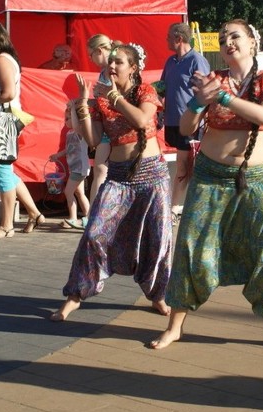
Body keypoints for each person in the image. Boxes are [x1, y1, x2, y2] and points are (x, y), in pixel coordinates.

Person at [149, 18, 263, 353]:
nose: (228, 42)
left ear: (253, 42)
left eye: (235, 36)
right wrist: (197, 102)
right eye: (222, 39)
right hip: (210, 178)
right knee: (191, 247)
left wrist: (219, 97)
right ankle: (175, 326)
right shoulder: (213, 80)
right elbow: (190, 125)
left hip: (256, 179)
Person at [51, 43, 171, 322]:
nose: (112, 66)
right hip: (118, 178)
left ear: (133, 67)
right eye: (110, 62)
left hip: (152, 176)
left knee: (159, 240)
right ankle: (75, 295)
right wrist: (83, 103)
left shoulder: (145, 91)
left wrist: (114, 97)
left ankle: (159, 295)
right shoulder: (102, 101)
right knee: (93, 233)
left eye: (119, 62)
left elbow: (142, 120)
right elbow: (93, 140)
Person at [0, 20, 46, 239]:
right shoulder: (0, 60)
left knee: (1, 171)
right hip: (2, 119)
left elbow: (8, 93)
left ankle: (6, 225)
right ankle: (34, 213)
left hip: (2, 120)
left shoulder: (2, 60)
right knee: (5, 171)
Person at [159, 22, 211, 218]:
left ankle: (174, 209)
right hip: (171, 120)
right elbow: (162, 87)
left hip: (190, 122)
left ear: (178, 39)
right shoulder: (170, 62)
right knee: (183, 164)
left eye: (168, 37)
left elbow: (207, 91)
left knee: (184, 164)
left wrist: (200, 117)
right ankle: (183, 205)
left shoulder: (197, 61)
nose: (166, 40)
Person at [86, 34, 118, 203]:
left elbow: (119, 95)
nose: (90, 59)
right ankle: (93, 214)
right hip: (107, 123)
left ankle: (94, 215)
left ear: (99, 51)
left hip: (115, 124)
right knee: (100, 170)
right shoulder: (105, 70)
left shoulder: (112, 69)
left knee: (101, 170)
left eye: (91, 55)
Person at [49, 100, 90, 230]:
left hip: (80, 167)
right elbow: (68, 149)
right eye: (65, 118)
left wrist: (73, 109)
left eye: (68, 118)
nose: (65, 121)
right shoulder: (70, 133)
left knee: (68, 192)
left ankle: (73, 218)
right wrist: (57, 156)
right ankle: (89, 217)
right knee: (79, 193)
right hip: (75, 168)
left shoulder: (80, 132)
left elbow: (77, 124)